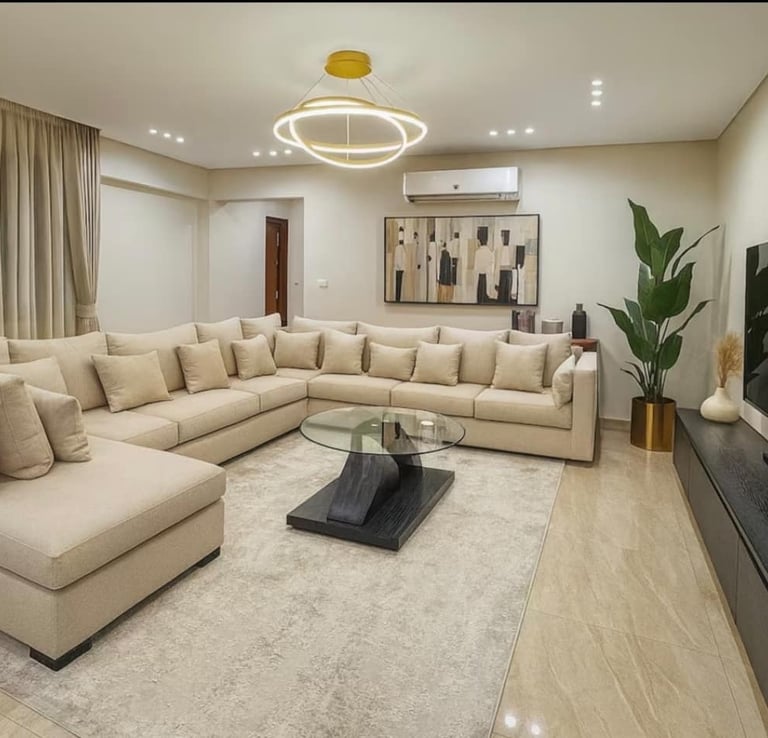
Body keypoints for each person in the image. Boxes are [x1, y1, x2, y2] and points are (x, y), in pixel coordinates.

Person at [474, 226, 494, 303]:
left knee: (480, 297)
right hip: (487, 279)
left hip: (480, 278)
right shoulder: (490, 253)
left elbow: (476, 269)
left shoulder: (477, 252)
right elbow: (491, 270)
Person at [497, 229, 513, 304]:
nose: (503, 239)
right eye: (502, 237)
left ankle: (507, 302)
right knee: (501, 290)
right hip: (501, 270)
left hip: (509, 271)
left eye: (505, 236)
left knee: (507, 289)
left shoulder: (511, 248)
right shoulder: (499, 249)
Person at [394, 226, 406, 302]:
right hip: (399, 269)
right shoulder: (399, 248)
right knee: (398, 284)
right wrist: (401, 267)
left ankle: (398, 298)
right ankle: (397, 299)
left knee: (399, 284)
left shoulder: (400, 248)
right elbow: (398, 259)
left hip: (400, 268)